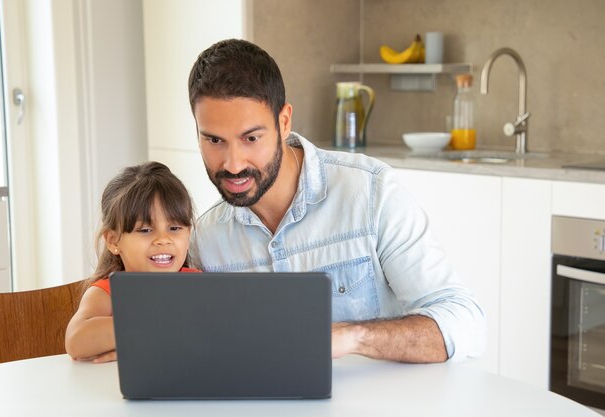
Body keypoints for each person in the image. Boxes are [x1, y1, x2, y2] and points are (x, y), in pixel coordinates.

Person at [187, 39, 486, 364]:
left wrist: (353, 336)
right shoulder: (206, 238)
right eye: (214, 140)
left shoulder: (370, 193)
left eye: (251, 138)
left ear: (284, 122)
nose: (232, 164)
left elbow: (465, 323)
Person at [65, 161, 200, 363]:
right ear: (113, 240)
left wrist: (144, 342)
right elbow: (76, 340)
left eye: (174, 228)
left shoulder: (199, 285)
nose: (163, 239)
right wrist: (152, 333)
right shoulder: (108, 292)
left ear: (188, 235)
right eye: (145, 230)